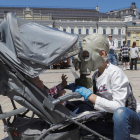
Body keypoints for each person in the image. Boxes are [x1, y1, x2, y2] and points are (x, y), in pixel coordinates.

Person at [69, 33, 140, 140]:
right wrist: (81, 75)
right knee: (77, 106)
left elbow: (118, 107)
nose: (85, 59)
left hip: (131, 117)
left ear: (102, 54)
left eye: (87, 56)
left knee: (120, 113)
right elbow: (88, 89)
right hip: (110, 118)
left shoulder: (115, 73)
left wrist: (89, 95)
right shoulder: (95, 75)